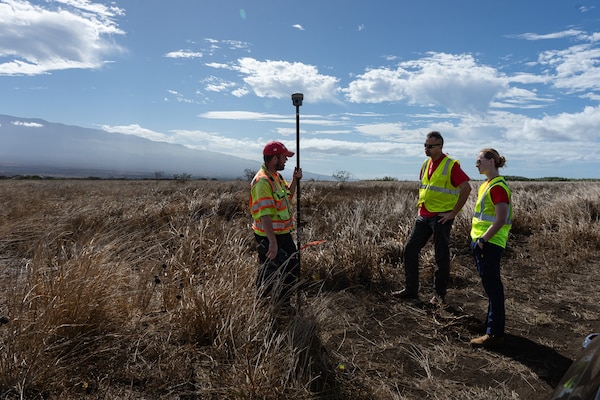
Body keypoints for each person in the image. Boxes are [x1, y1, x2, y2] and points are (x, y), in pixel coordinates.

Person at [393, 131, 471, 305]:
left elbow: (466, 188)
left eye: (430, 146)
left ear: (440, 146)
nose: (426, 149)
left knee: (441, 256)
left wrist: (453, 213)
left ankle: (439, 296)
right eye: (425, 145)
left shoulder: (451, 165)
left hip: (441, 217)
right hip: (424, 215)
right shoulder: (425, 164)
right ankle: (411, 289)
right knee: (410, 250)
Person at [249, 141, 302, 310]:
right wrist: (272, 242)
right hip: (268, 235)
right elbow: (265, 214)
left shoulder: (276, 177)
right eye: (283, 157)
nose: (286, 161)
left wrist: (295, 180)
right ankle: (264, 305)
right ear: (274, 158)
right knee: (269, 270)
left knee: (291, 266)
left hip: (282, 233)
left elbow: (288, 196)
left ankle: (282, 303)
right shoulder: (263, 181)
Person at [469, 149, 513, 348]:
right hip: (483, 242)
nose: (476, 164)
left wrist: (483, 241)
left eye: (479, 161)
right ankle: (490, 326)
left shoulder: (497, 187)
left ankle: (494, 334)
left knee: (493, 288)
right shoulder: (486, 185)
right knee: (490, 286)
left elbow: (501, 219)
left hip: (490, 243)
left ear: (491, 161)